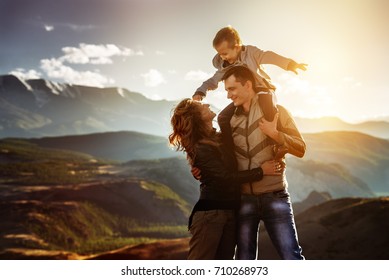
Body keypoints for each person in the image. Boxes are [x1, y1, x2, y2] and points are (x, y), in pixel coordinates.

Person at [169, 98, 283, 260]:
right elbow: (225, 177)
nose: (207, 104)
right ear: (197, 117)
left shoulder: (218, 138)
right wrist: (261, 171)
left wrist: (252, 91)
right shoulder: (202, 147)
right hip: (211, 215)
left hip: (230, 212)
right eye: (202, 106)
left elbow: (233, 106)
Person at [219, 65, 306, 260]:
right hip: (243, 201)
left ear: (248, 85)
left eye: (232, 89)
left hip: (274, 197)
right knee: (244, 264)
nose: (228, 96)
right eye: (226, 90)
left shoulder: (276, 112)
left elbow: (301, 148)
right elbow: (221, 154)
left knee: (291, 257)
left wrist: (274, 133)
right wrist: (196, 162)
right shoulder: (229, 121)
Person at [193, 26, 307, 159]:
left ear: (237, 47)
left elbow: (267, 56)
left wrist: (289, 64)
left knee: (267, 105)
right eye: (220, 54)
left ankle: (274, 143)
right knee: (223, 117)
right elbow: (213, 80)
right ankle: (228, 151)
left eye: (225, 53)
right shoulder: (225, 66)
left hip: (263, 91)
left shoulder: (251, 53)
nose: (222, 57)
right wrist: (201, 91)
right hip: (244, 99)